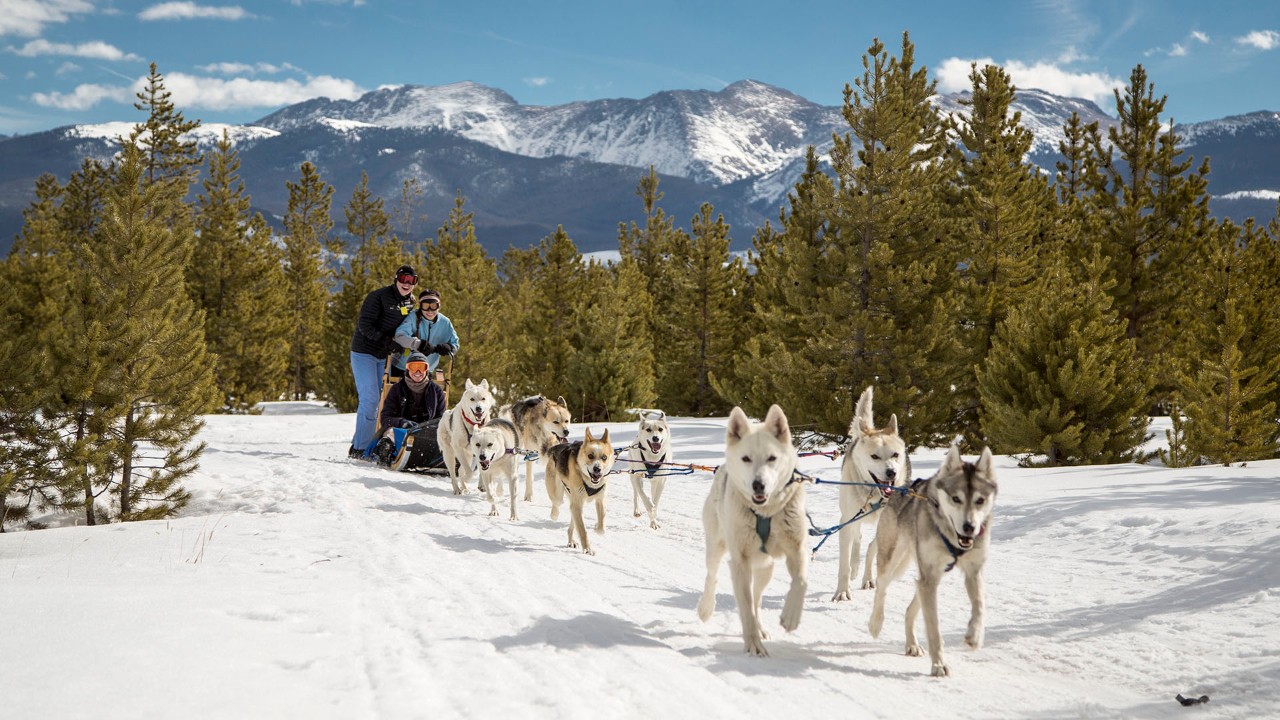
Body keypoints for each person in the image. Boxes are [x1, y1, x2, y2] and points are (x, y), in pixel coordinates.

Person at [349, 264, 419, 458]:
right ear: (396, 279)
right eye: (403, 279)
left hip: (385, 356)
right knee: (370, 399)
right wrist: (387, 342)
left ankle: (365, 443)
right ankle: (360, 450)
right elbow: (364, 325)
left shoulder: (410, 302)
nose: (407, 284)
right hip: (364, 352)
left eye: (411, 281)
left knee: (382, 402)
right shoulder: (378, 297)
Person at [373, 351, 447, 466]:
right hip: (402, 431)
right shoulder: (397, 389)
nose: (418, 372)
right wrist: (402, 423)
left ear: (427, 370)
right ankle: (385, 451)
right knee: (390, 432)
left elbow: (442, 418)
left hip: (428, 433)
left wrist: (430, 427)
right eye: (413, 367)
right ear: (407, 370)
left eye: (421, 368)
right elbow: (386, 418)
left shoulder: (436, 391)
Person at [391, 288, 459, 378]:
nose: (430, 311)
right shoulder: (413, 317)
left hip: (426, 370)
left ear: (439, 306)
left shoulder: (445, 322)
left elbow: (455, 343)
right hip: (404, 368)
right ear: (420, 306)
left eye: (433, 306)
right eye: (426, 306)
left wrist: (449, 347)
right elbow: (399, 336)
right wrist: (418, 344)